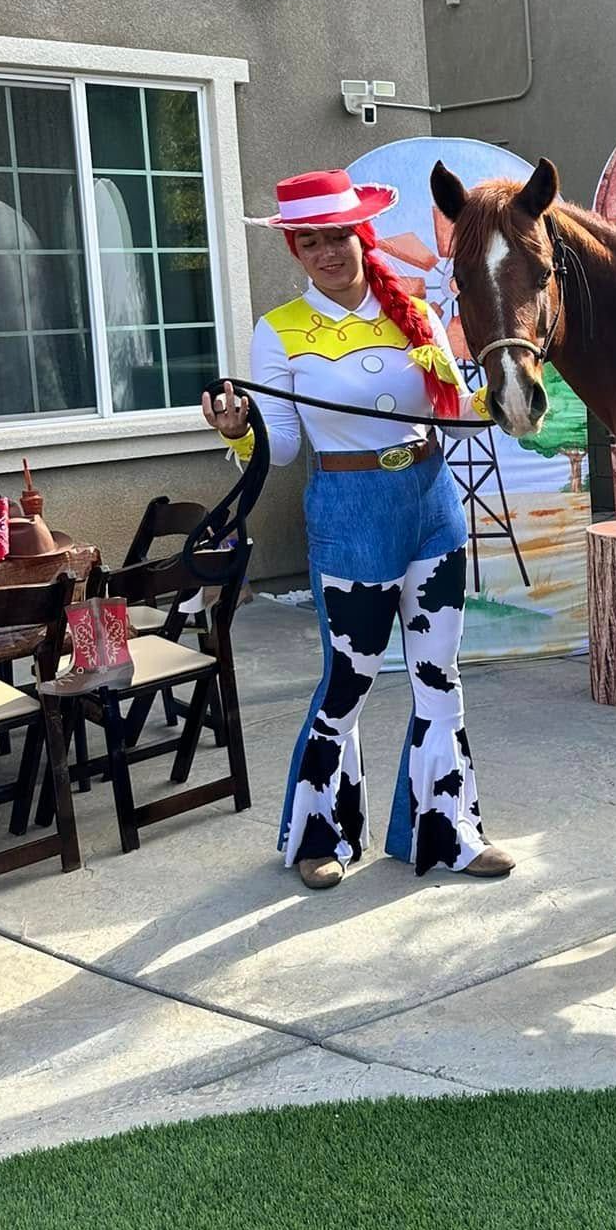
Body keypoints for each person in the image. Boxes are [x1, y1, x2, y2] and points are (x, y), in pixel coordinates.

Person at [201, 168, 514, 890]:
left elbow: (452, 405)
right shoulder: (278, 332)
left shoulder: (411, 311)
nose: (328, 253)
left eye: (337, 236)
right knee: (349, 680)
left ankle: (448, 833)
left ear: (359, 233)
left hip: (431, 507)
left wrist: (505, 397)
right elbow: (279, 448)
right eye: (311, 243)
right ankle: (320, 837)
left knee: (439, 677)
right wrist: (237, 431)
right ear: (296, 253)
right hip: (350, 515)